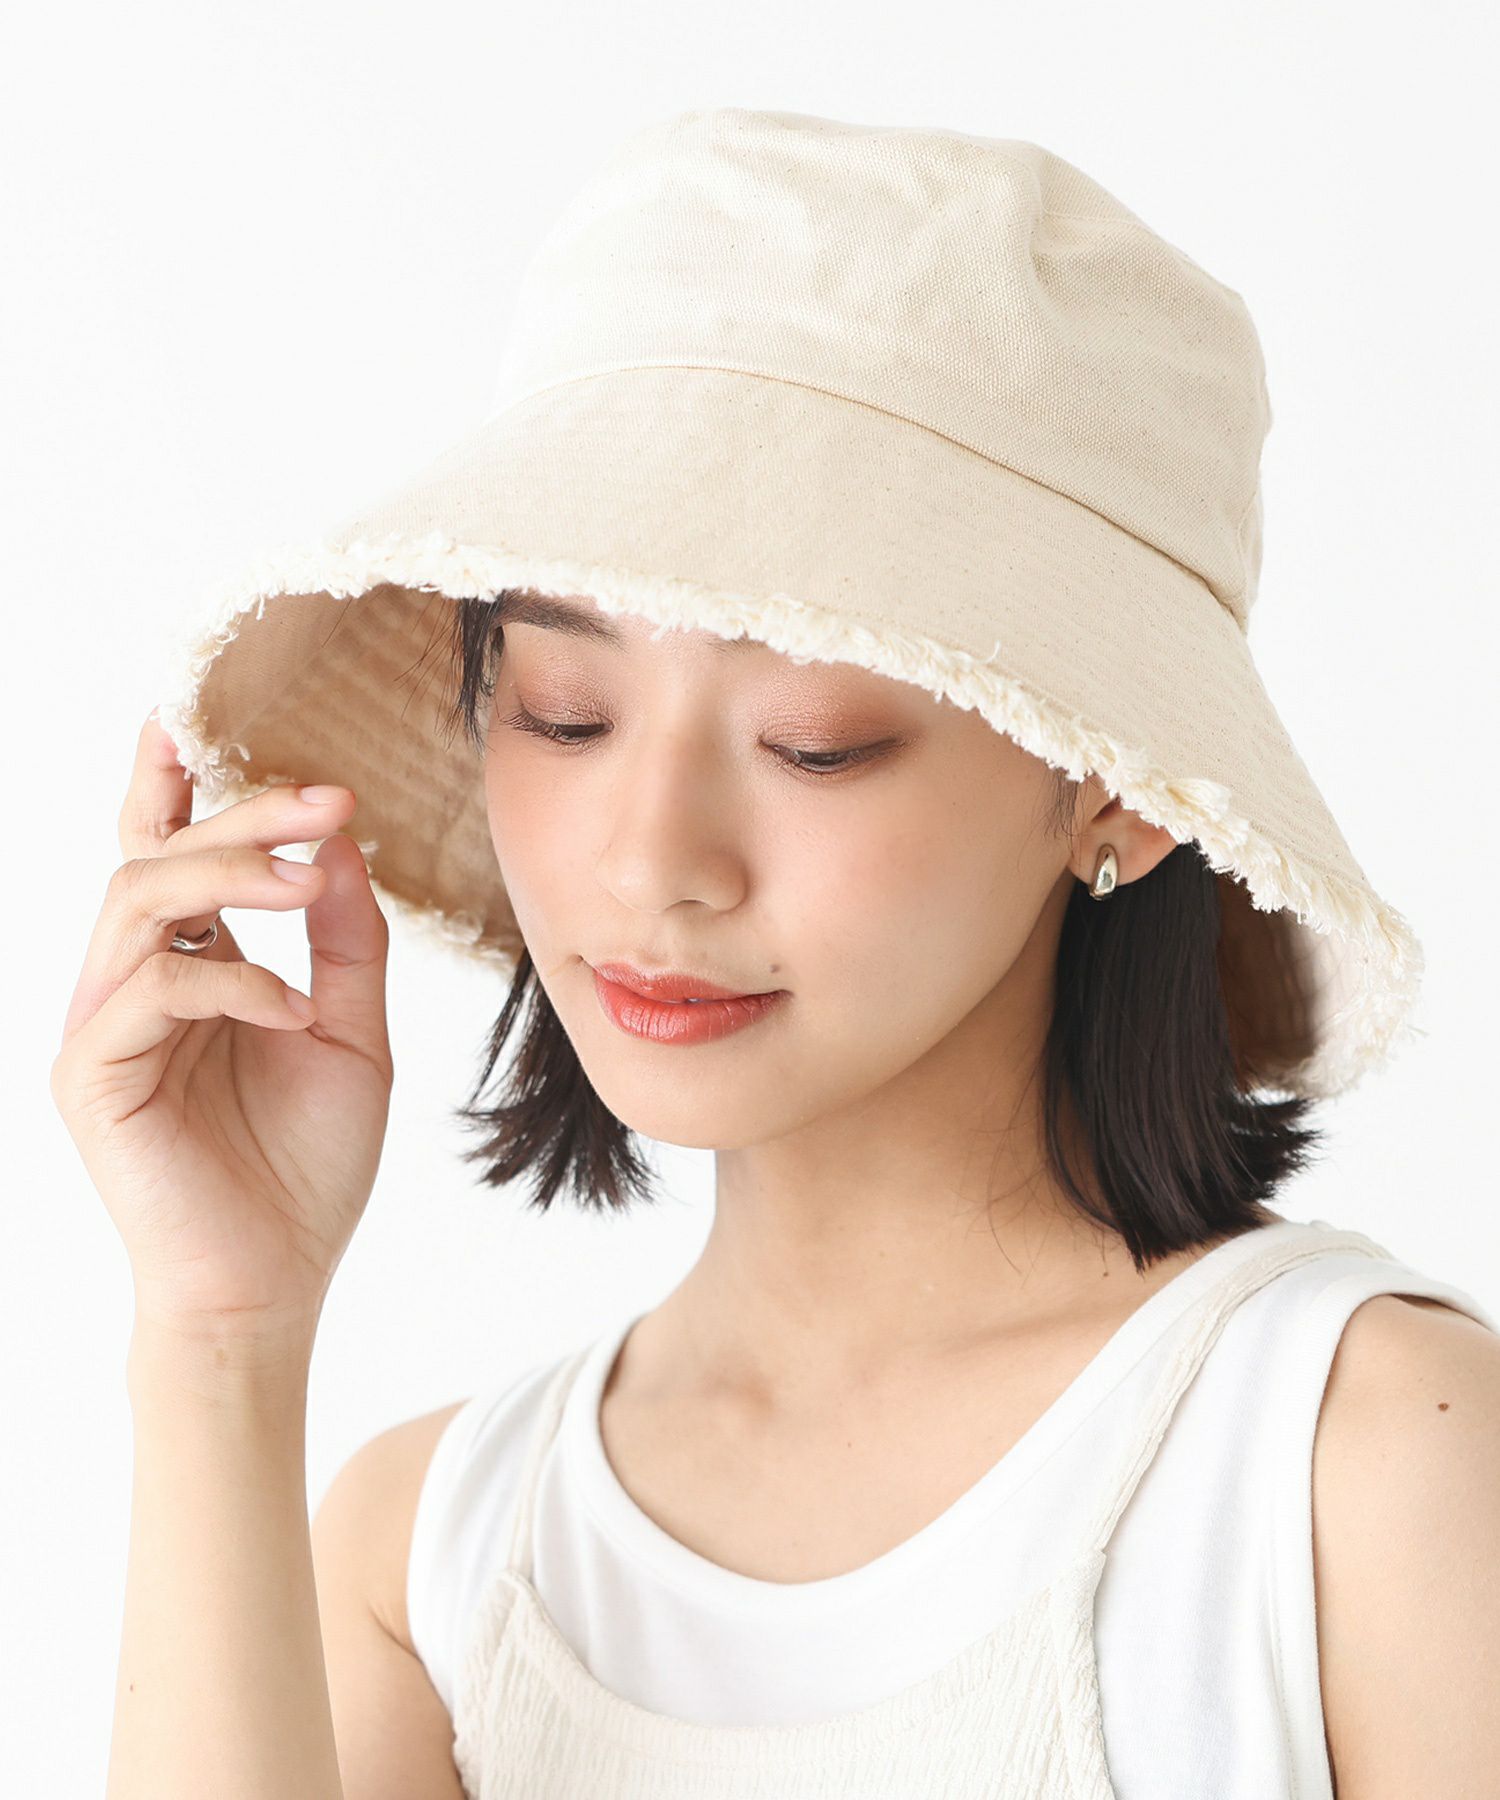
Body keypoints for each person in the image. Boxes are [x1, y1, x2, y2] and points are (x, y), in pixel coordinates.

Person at [52, 109, 1500, 1799]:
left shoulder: (1366, 1464)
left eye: (814, 740)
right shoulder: (432, 1564)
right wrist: (219, 1343)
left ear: (1120, 781)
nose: (648, 863)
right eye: (565, 710)